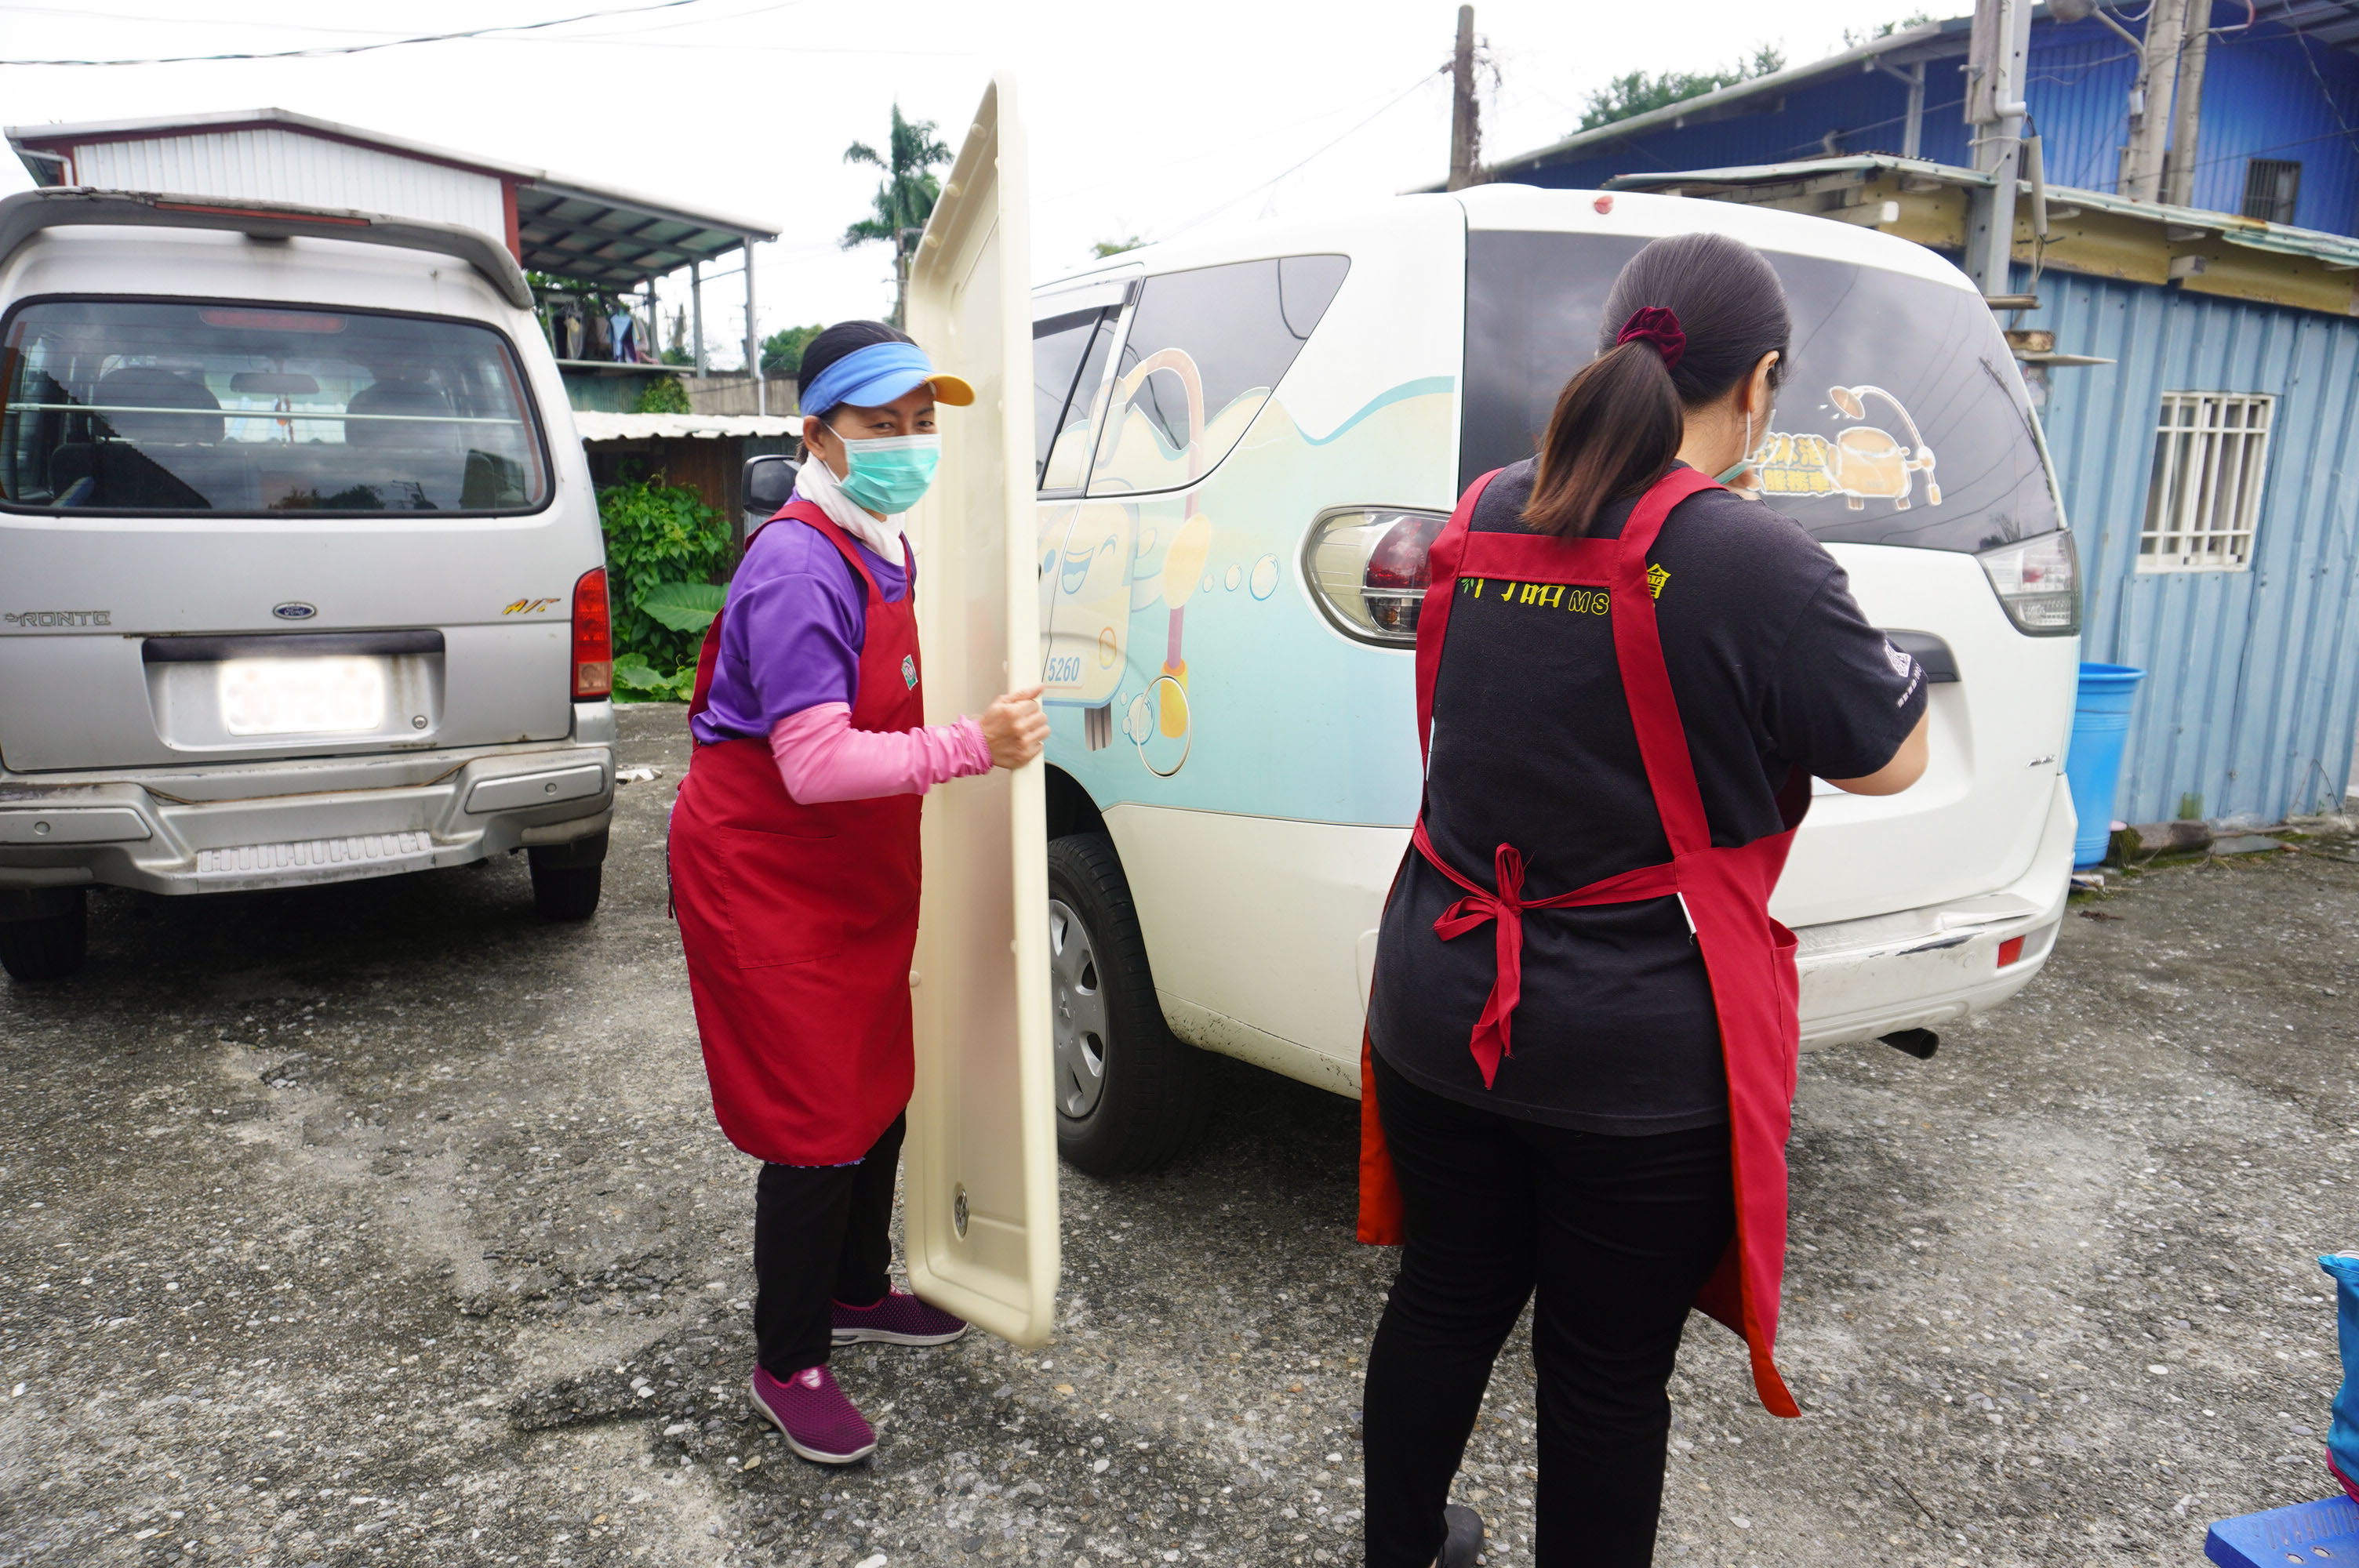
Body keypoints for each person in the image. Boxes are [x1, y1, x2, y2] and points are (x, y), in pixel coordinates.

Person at [1355, 233, 1932, 1566]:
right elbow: (1890, 756)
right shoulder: (1758, 563)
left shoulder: (1485, 510)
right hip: (1632, 1053)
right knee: (1605, 1376)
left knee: (1443, 1297)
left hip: (1439, 999)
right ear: (1762, 380)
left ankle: (1399, 1551)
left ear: (1618, 342)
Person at [667, 320, 1048, 1467]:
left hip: (850, 870)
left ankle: (854, 1290)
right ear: (818, 437)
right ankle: (788, 1358)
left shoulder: (882, 539)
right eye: (882, 425)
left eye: (923, 422)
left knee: (880, 1082)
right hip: (767, 873)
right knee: (817, 1118)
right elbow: (816, 764)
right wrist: (971, 747)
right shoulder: (795, 566)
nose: (909, 443)